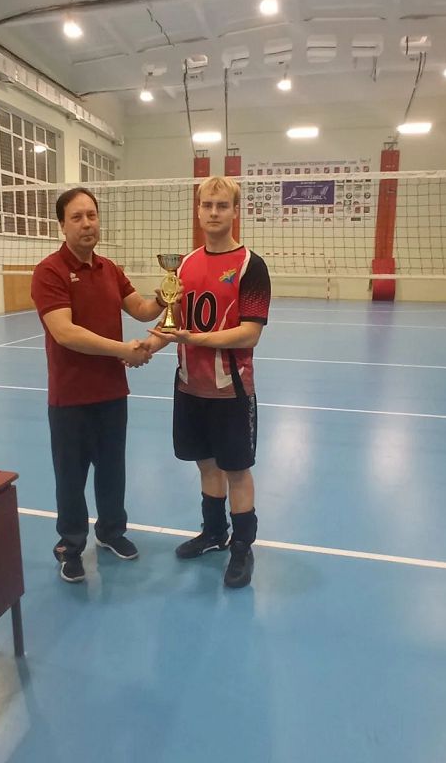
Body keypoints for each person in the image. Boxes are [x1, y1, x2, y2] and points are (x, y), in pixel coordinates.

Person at [31, 186, 168, 583]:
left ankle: (111, 532)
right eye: (77, 217)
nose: (87, 223)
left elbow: (140, 308)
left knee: (112, 471)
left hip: (111, 393)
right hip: (70, 397)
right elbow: (65, 333)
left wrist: (164, 297)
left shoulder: (110, 268)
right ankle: (70, 546)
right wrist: (123, 350)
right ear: (62, 225)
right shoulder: (49, 272)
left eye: (92, 215)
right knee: (70, 479)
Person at [148, 176, 271, 588]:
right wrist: (146, 347)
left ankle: (242, 548)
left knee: (236, 469)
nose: (213, 213)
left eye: (222, 205)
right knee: (205, 464)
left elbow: (250, 333)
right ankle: (214, 533)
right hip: (189, 385)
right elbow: (174, 322)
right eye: (207, 205)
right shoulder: (184, 265)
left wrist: (195, 339)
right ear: (198, 210)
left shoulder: (251, 265)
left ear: (235, 211)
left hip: (231, 389)